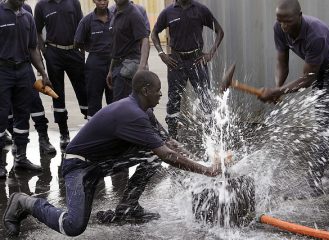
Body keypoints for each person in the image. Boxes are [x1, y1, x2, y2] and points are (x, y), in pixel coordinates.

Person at [3, 70, 222, 237]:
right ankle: (24, 202)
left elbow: (169, 143)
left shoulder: (144, 111)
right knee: (73, 225)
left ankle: (128, 206)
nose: (160, 93)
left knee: (152, 154)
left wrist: (205, 162)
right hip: (78, 166)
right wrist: (208, 172)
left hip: (99, 164)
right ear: (145, 90)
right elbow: (167, 155)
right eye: (157, 89)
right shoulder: (132, 114)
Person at [258, 0, 329, 197]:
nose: (284, 26)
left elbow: (307, 80)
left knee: (327, 122)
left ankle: (313, 184)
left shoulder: (316, 35)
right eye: (280, 21)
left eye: (288, 21)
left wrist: (277, 93)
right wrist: (278, 88)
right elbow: (281, 62)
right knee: (325, 119)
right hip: (320, 67)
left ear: (300, 16)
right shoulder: (279, 28)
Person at [151, 0, 224, 140]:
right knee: (174, 99)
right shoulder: (168, 12)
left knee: (205, 99)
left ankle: (212, 138)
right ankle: (172, 138)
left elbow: (220, 31)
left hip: (197, 61)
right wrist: (162, 54)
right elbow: (154, 33)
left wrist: (210, 53)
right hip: (176, 63)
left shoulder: (201, 10)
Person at [0, 0, 50, 178]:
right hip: (2, 71)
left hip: (23, 70)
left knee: (22, 115)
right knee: (2, 116)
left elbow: (32, 48)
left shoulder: (27, 17)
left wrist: (43, 73)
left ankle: (21, 157)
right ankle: (1, 164)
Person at [34, 0, 88, 151]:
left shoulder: (73, 2)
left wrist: (81, 52)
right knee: (57, 93)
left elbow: (81, 25)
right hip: (53, 53)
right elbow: (37, 31)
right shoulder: (41, 5)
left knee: (83, 91)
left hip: (74, 51)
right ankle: (64, 133)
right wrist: (45, 52)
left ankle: (89, 126)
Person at [7, 2, 56, 156]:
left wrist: (41, 71)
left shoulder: (26, 10)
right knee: (7, 109)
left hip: (25, 67)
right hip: (4, 71)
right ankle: (16, 140)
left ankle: (43, 138)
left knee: (35, 103)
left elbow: (32, 43)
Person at [74, 0, 113, 119]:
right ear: (94, 1)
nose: (103, 2)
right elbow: (77, 42)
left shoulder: (116, 18)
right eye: (99, 0)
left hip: (114, 63)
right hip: (95, 64)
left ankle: (115, 131)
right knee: (94, 100)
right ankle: (94, 131)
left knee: (115, 100)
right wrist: (90, 48)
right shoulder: (87, 21)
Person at [106, 0, 150, 101]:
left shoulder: (134, 14)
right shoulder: (115, 13)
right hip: (117, 67)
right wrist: (110, 70)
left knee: (124, 106)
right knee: (121, 105)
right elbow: (117, 45)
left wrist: (142, 67)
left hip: (128, 69)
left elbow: (144, 39)